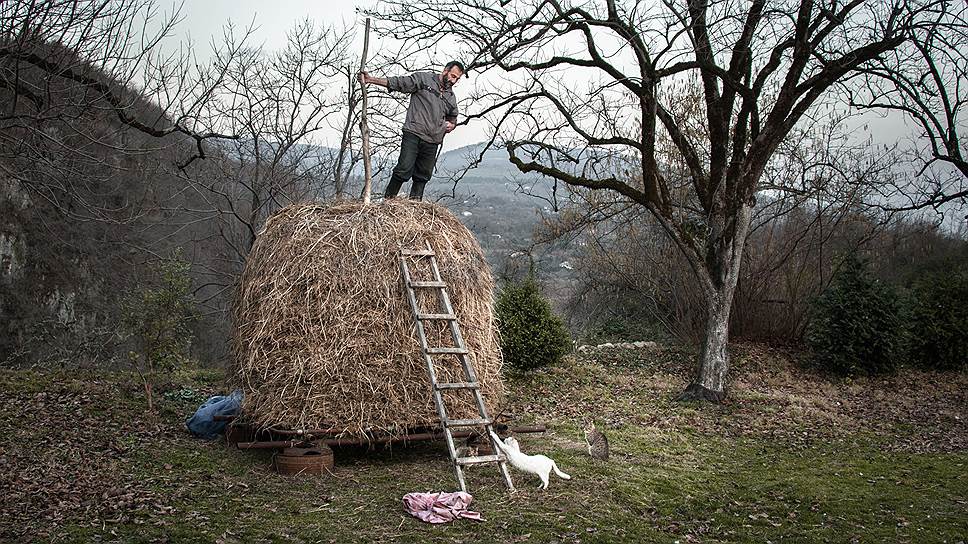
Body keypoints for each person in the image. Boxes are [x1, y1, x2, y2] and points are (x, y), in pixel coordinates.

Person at [359, 61, 464, 200]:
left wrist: (452, 124)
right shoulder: (424, 79)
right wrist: (371, 80)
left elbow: (453, 115)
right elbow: (400, 83)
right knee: (403, 169)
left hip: (433, 140)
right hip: (414, 133)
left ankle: (415, 208)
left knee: (422, 176)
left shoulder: (451, 97)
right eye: (452, 75)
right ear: (445, 70)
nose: (453, 80)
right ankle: (388, 201)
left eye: (456, 78)